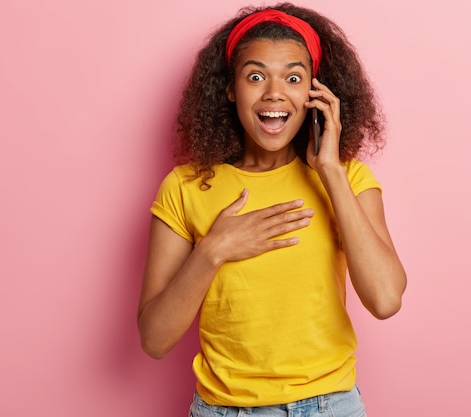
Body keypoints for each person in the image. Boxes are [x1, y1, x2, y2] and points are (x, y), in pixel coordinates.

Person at [137, 2, 407, 416]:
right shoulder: (186, 187)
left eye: (293, 77)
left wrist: (330, 170)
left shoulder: (348, 179)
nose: (274, 93)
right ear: (230, 88)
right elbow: (154, 340)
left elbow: (386, 299)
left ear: (316, 93)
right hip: (223, 410)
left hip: (329, 406)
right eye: (256, 76)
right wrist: (213, 250)